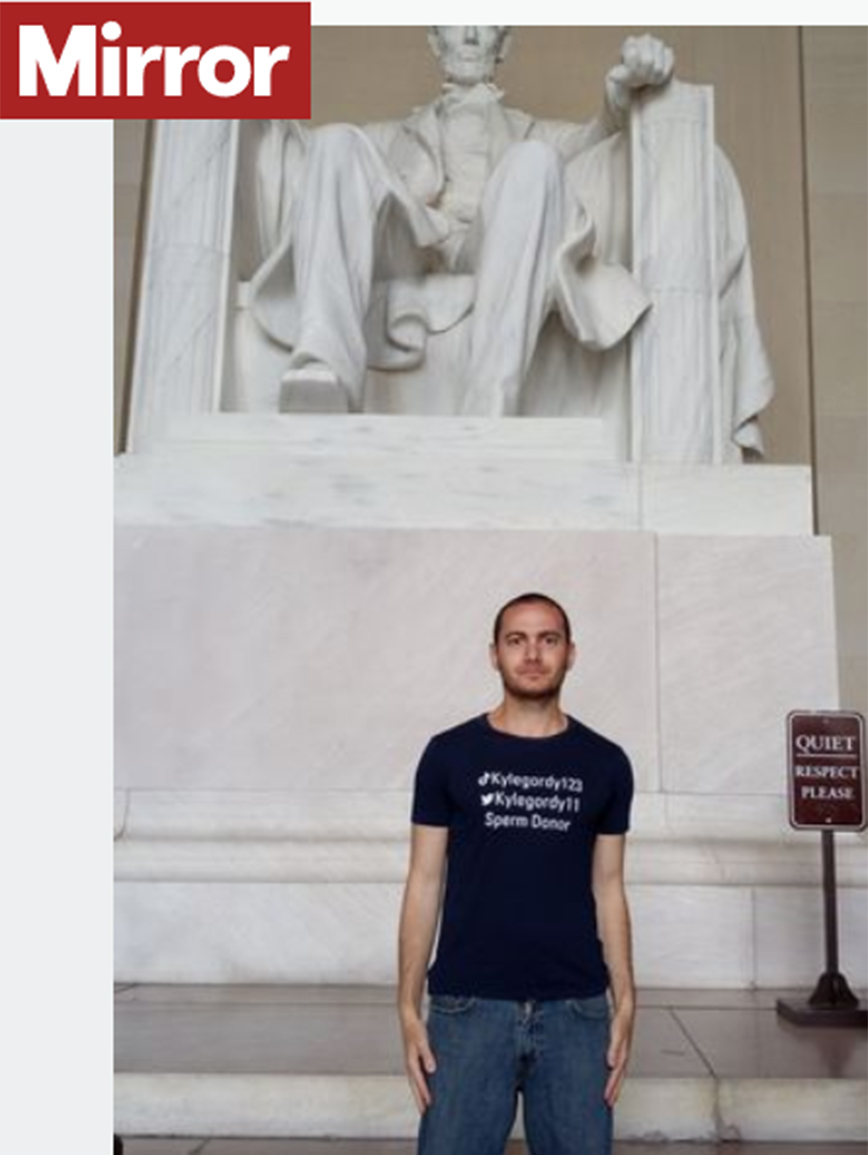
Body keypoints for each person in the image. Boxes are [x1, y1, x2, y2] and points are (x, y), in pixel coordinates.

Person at [250, 27, 674, 416]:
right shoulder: (388, 136)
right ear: (436, 42)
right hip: (412, 242)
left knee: (535, 160)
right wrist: (245, 61)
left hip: (494, 246)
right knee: (335, 141)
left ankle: (491, 398)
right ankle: (325, 365)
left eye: (485, 23)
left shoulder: (536, 133)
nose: (470, 34)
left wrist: (621, 94)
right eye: (457, 20)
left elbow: (598, 139)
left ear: (503, 45)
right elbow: (294, 150)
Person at [397, 592, 635, 1155]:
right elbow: (424, 881)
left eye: (548, 640)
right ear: (494, 654)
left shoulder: (605, 762)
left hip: (575, 1009)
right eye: (517, 640)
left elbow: (609, 886)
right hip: (469, 1007)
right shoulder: (449, 754)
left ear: (570, 653)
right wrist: (407, 1005)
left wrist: (626, 1000)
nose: (532, 654)